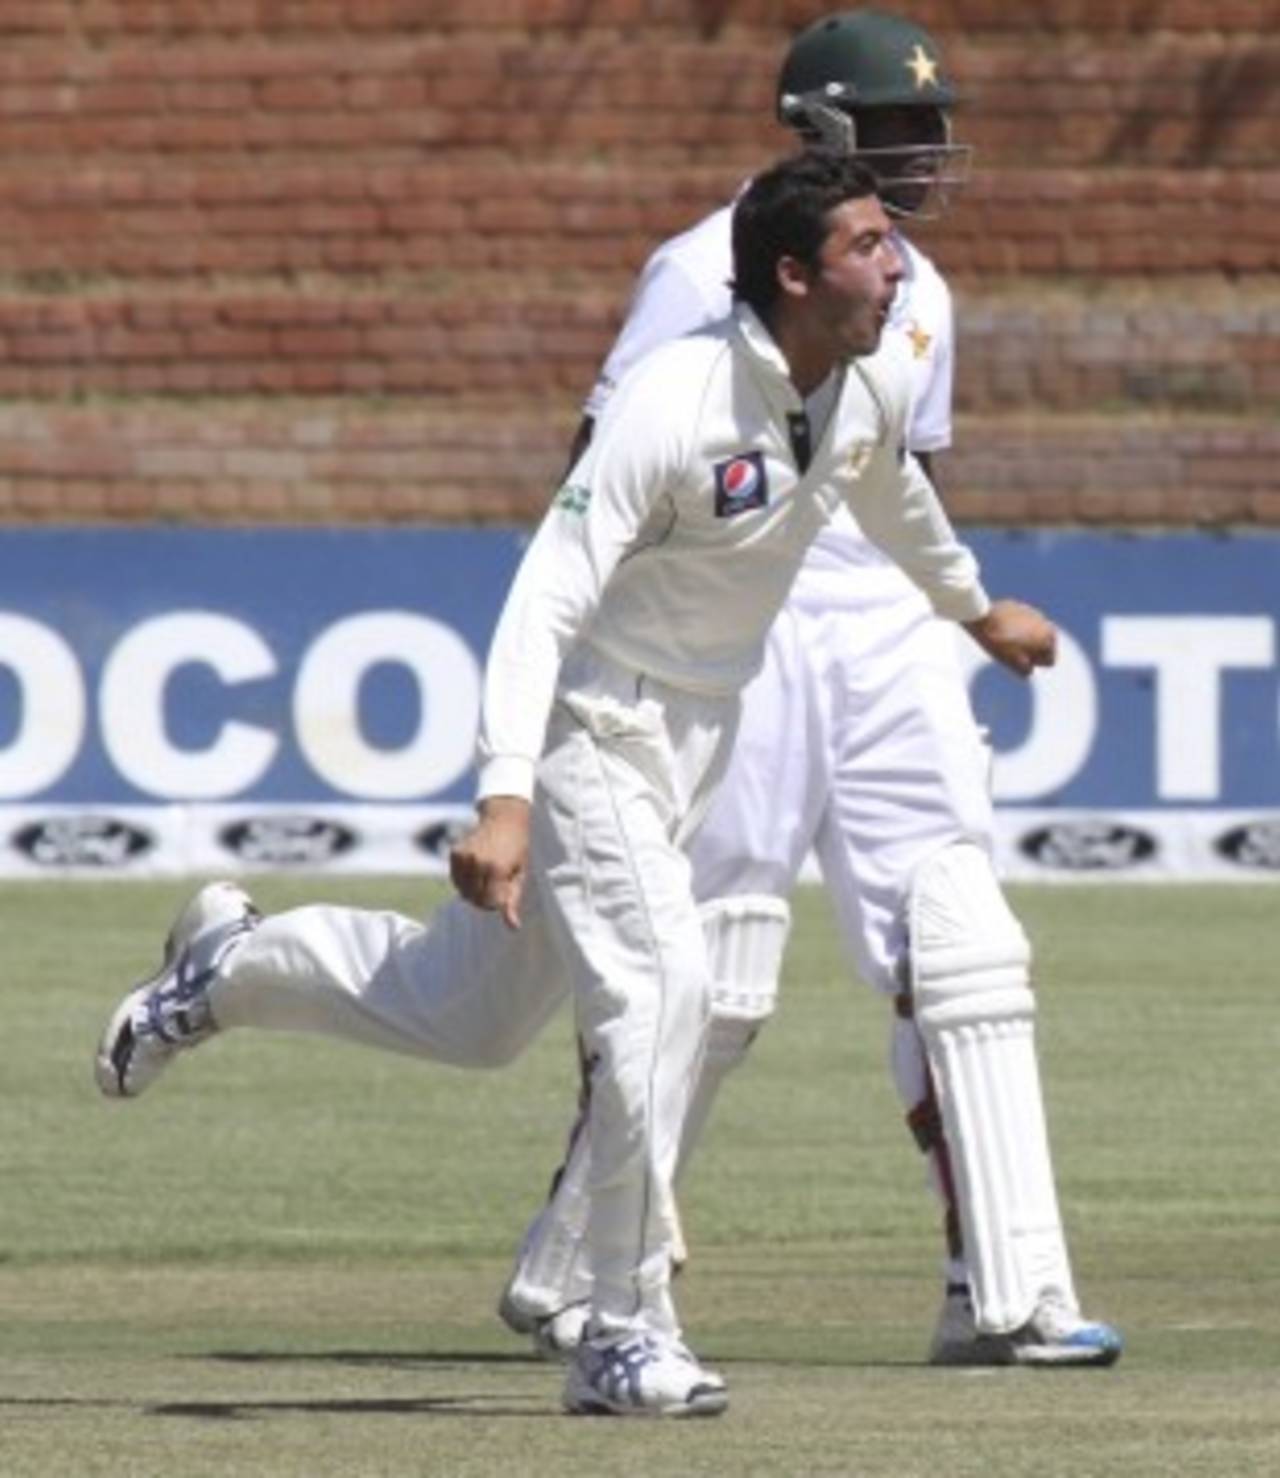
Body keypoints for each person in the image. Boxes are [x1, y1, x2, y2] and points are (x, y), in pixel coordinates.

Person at [95, 149, 1053, 1417]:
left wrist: (976, 610)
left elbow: (891, 500)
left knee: (465, 1014)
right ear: (789, 274)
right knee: (665, 993)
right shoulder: (674, 398)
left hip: (694, 737)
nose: (896, 263)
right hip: (592, 727)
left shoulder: (868, 376)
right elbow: (544, 597)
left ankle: (225, 968)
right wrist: (504, 795)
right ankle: (621, 1328)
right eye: (868, 244)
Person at [497, 9, 1124, 1370]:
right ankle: (584, 1264)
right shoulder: (694, 269)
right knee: (706, 962)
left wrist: (965, 609)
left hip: (889, 631)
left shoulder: (920, 288)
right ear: (822, 131)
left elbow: (904, 480)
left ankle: (1008, 1288)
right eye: (894, 128)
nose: (923, 153)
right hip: (740, 626)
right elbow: (604, 467)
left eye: (926, 126)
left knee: (958, 937)